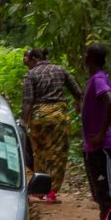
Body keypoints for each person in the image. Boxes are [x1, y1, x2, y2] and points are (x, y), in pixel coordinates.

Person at [21, 48, 82, 203]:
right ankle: (51, 193)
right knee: (57, 155)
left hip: (38, 118)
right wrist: (78, 104)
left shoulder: (30, 75)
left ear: (34, 58)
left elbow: (28, 101)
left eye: (26, 57)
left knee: (39, 153)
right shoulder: (60, 70)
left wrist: (23, 122)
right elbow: (77, 91)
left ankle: (39, 190)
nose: (24, 60)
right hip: (58, 117)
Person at [80, 43, 111, 220]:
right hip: (93, 149)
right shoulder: (96, 79)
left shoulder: (98, 80)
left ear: (90, 58)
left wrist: (101, 133)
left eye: (85, 54)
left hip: (103, 148)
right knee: (101, 197)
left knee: (108, 198)